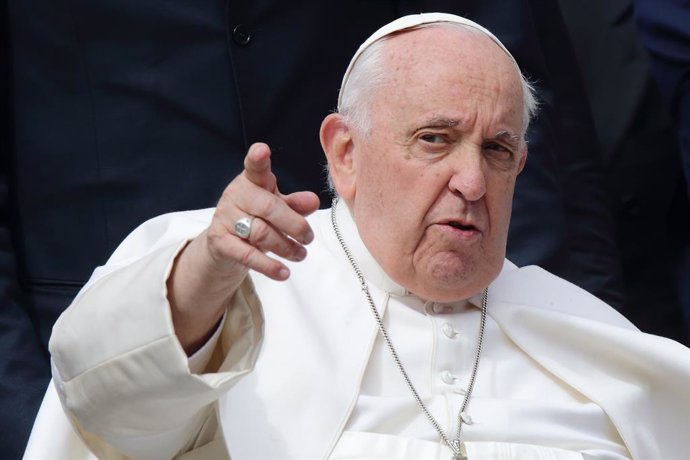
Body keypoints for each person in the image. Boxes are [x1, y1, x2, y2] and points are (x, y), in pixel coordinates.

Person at [26, 13, 689, 460]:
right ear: (345, 152)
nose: (472, 182)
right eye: (436, 139)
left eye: (497, 149)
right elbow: (105, 403)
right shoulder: (224, 274)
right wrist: (207, 276)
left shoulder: (594, 338)